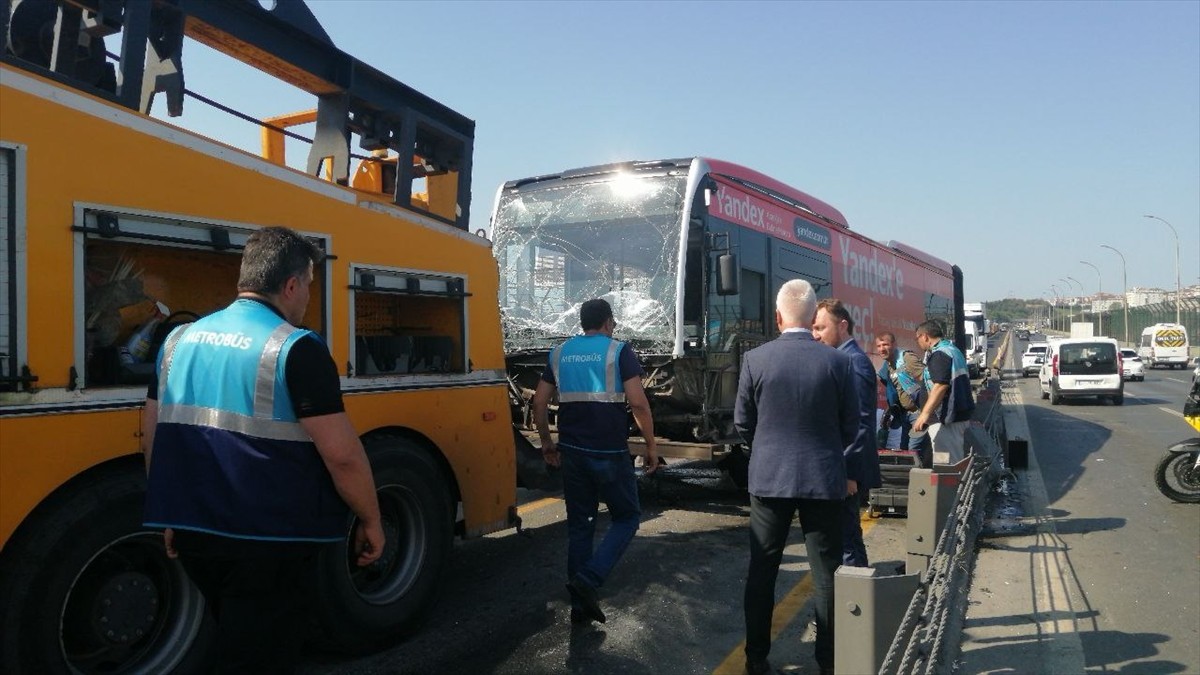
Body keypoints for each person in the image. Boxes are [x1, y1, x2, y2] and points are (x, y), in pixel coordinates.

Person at [141, 226, 384, 673]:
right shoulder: (296, 346)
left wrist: (170, 510)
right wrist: (370, 519)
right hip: (270, 542)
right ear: (291, 285)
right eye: (309, 284)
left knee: (235, 642)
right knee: (260, 655)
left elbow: (156, 431)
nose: (308, 295)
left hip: (197, 535)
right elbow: (342, 455)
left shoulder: (176, 342)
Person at [735, 279, 858, 675]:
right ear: (812, 317)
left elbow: (742, 423)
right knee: (826, 575)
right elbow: (852, 427)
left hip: (769, 479)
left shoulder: (756, 360)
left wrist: (766, 451)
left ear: (778, 317)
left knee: (762, 570)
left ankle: (756, 658)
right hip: (823, 479)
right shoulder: (839, 363)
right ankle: (828, 661)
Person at [532, 298, 659, 625]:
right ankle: (589, 579)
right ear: (607, 322)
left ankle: (580, 607)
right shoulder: (619, 351)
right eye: (613, 322)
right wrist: (650, 445)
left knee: (580, 526)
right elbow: (639, 405)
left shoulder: (559, 353)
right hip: (609, 453)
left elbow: (540, 402)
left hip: (572, 452)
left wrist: (547, 442)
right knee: (627, 517)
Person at [812, 299, 882, 568]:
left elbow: (862, 424)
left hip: (846, 471)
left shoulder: (854, 362)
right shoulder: (841, 359)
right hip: (838, 467)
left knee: (847, 539)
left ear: (842, 326)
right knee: (842, 536)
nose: (815, 335)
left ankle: (858, 600)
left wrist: (850, 473)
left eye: (821, 327)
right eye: (813, 328)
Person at [912, 319, 977, 463]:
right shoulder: (952, 349)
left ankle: (950, 486)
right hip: (955, 416)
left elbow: (940, 386)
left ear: (925, 336)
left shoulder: (940, 354)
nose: (918, 342)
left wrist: (925, 414)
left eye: (918, 338)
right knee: (950, 458)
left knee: (946, 462)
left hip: (946, 419)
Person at [875, 332, 931, 463]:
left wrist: (926, 410)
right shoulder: (888, 365)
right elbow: (894, 391)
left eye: (885, 344)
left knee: (913, 449)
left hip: (919, 412)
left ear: (894, 345)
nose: (882, 349)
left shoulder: (906, 358)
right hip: (905, 414)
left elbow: (929, 381)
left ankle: (919, 480)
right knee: (904, 450)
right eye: (879, 346)